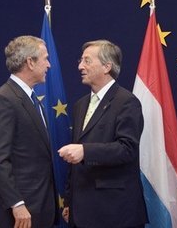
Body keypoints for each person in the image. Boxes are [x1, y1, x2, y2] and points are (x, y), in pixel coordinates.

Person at [58, 39, 148, 228]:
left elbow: (127, 149)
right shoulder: (80, 105)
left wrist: (86, 151)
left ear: (107, 66)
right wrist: (69, 200)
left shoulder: (127, 102)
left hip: (113, 212)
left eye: (87, 61)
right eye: (80, 60)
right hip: (80, 210)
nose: (80, 66)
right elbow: (74, 161)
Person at [0, 35, 57, 228]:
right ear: (30, 62)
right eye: (45, 58)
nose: (48, 65)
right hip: (19, 215)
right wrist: (17, 203)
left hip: (39, 208)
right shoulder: (3, 101)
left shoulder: (31, 99)